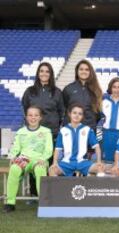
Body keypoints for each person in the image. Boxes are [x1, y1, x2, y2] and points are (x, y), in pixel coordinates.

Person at [21, 62, 64, 198]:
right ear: (38, 73)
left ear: (51, 74)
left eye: (47, 71)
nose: (44, 73)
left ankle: (49, 193)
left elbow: (62, 111)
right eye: (41, 71)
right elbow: (25, 109)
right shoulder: (30, 91)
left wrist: (56, 127)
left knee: (50, 163)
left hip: (52, 133)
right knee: (34, 162)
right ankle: (34, 193)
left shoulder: (57, 92)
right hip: (34, 134)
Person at [3, 106, 53, 213]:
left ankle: (44, 204)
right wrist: (12, 156)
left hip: (39, 159)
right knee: (14, 169)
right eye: (30, 115)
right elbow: (15, 147)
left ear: (40, 117)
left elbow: (49, 149)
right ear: (26, 117)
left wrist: (43, 159)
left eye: (36, 115)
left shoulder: (46, 131)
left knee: (40, 169)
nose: (33, 118)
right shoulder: (21, 131)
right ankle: (10, 203)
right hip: (24, 158)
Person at [49, 104, 104, 177]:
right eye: (74, 113)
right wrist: (55, 162)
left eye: (80, 114)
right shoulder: (63, 130)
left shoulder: (87, 129)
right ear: (69, 114)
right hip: (66, 163)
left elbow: (97, 147)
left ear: (82, 116)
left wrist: (99, 162)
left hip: (82, 162)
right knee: (52, 170)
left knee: (101, 168)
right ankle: (57, 188)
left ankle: (93, 188)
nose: (77, 115)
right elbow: (57, 149)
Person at [101, 77, 119, 175]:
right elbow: (100, 119)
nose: (116, 90)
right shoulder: (104, 102)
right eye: (114, 87)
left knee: (117, 160)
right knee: (106, 161)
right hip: (106, 134)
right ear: (110, 88)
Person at [62, 59, 103, 130]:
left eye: (87, 70)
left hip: (89, 129)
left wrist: (91, 123)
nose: (84, 71)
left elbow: (98, 112)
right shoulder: (68, 89)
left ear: (90, 72)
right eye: (81, 69)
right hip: (71, 129)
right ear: (77, 71)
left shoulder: (96, 90)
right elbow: (63, 109)